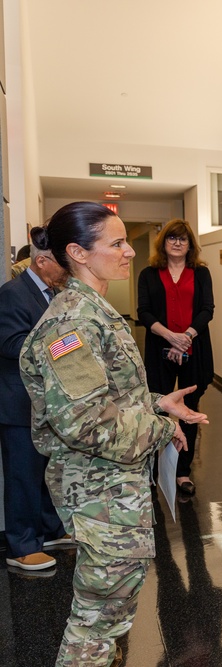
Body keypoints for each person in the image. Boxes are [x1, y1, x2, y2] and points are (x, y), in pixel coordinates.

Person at [19, 201, 208, 666]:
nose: (129, 252)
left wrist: (155, 403)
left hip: (113, 486)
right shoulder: (72, 325)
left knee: (114, 615)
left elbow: (107, 399)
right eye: (117, 242)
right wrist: (162, 425)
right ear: (78, 253)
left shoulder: (96, 310)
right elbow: (86, 423)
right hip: (97, 489)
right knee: (96, 625)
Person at [0, 229, 70, 571]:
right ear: (42, 262)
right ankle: (22, 545)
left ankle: (48, 530)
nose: (67, 269)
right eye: (62, 263)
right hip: (19, 404)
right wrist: (64, 345)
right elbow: (11, 344)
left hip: (45, 403)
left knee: (47, 471)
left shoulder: (52, 292)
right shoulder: (13, 294)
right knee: (22, 476)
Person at [137, 219, 215, 495]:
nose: (178, 243)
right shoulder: (148, 274)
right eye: (172, 238)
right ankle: (152, 471)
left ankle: (183, 472)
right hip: (160, 350)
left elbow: (208, 309)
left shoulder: (201, 274)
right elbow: (144, 312)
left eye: (183, 239)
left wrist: (187, 336)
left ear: (190, 245)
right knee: (157, 407)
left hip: (194, 350)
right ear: (163, 243)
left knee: (189, 410)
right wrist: (170, 336)